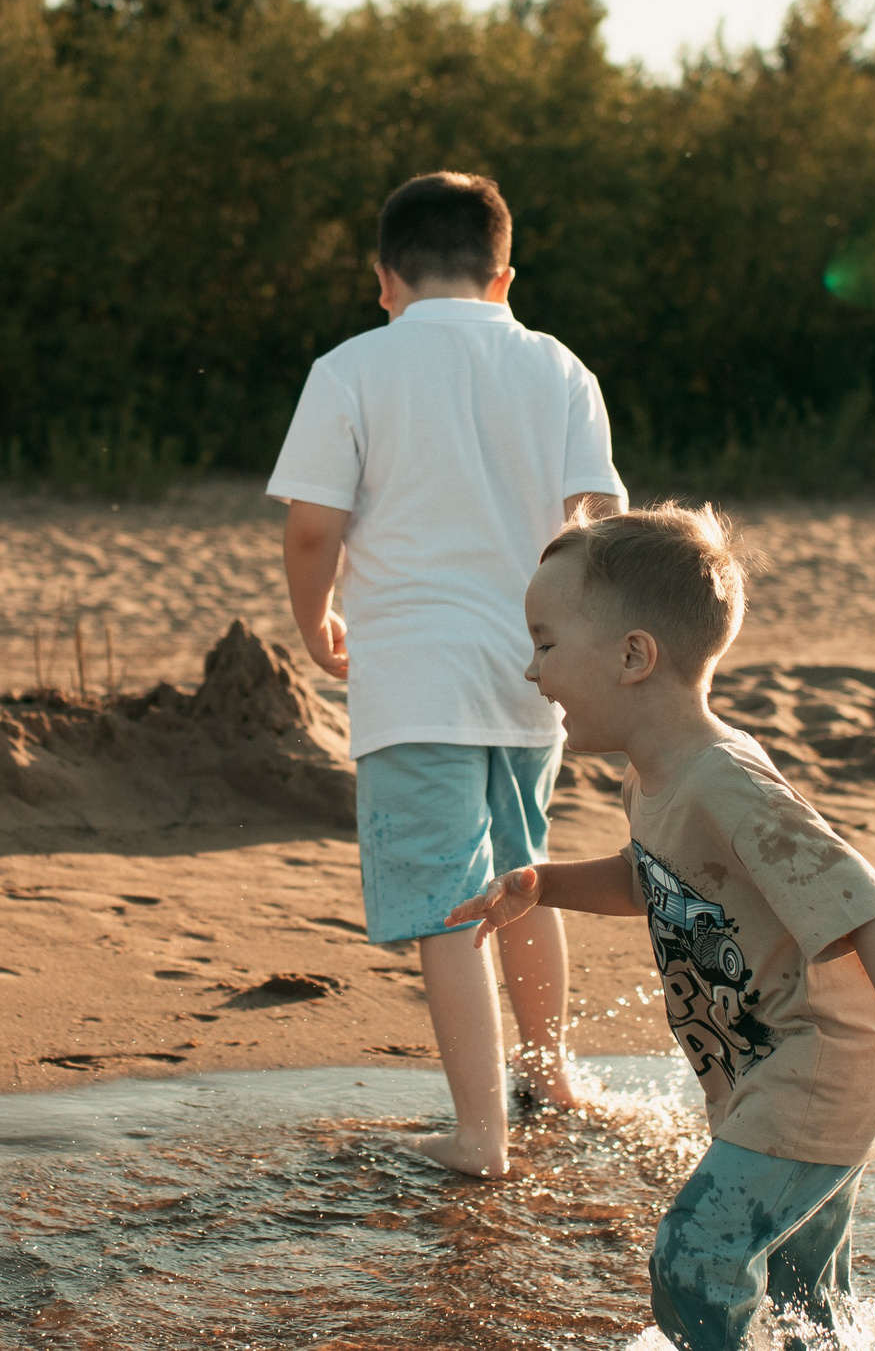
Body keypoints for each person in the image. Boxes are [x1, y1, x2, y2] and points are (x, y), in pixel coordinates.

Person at [447, 504, 875, 1346]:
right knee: (810, 1299)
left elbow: (870, 906)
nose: (531, 670)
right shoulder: (656, 778)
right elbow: (651, 879)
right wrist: (543, 883)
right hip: (776, 1074)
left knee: (694, 1257)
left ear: (634, 655)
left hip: (818, 1070)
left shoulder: (725, 782)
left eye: (547, 644)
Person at [267, 171, 625, 1179]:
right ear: (504, 275)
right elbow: (594, 526)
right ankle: (552, 1074)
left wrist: (313, 620)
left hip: (414, 679)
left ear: (384, 279)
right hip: (533, 672)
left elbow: (310, 528)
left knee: (448, 903)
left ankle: (478, 1137)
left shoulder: (350, 370)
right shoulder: (557, 367)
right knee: (526, 878)